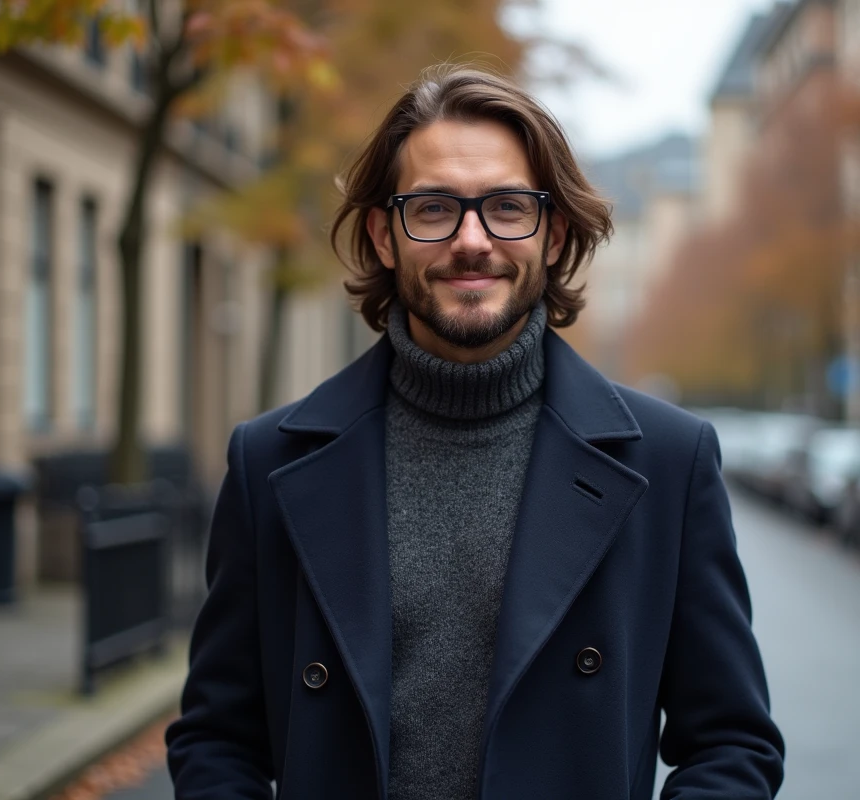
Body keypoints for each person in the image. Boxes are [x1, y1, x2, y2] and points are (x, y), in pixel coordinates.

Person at [166, 64, 785, 799]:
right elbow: (218, 737)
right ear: (384, 235)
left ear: (553, 234)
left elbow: (731, 744)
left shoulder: (670, 462)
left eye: (507, 206)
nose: (471, 239)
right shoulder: (270, 461)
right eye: (433, 209)